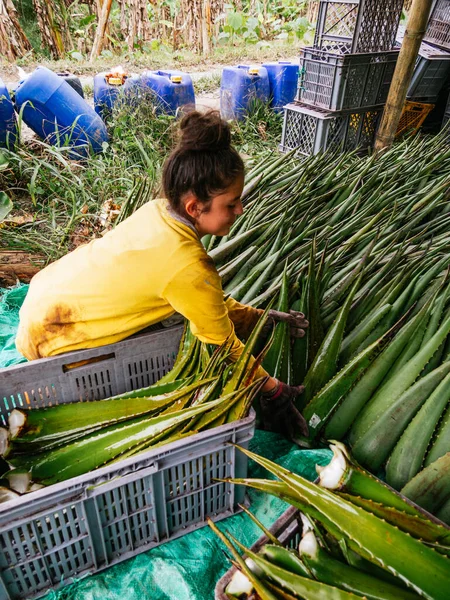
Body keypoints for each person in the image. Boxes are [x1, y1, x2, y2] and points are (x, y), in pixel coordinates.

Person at [16, 110, 308, 438]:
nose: (240, 210)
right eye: (232, 203)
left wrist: (257, 318)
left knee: (174, 320)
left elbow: (203, 301)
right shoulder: (187, 264)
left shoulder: (157, 211)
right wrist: (274, 390)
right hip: (57, 338)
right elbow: (223, 346)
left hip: (41, 301)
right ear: (195, 207)